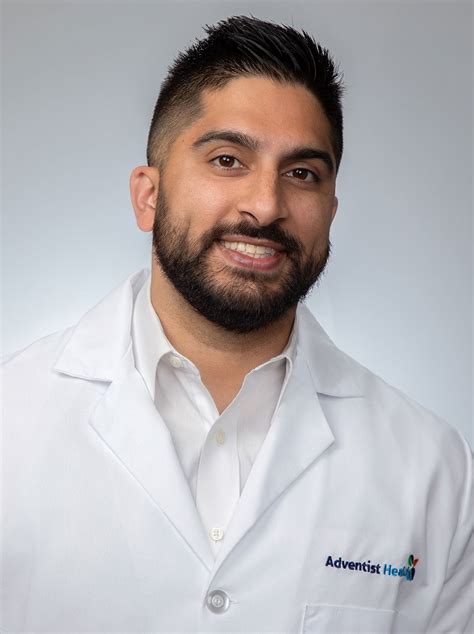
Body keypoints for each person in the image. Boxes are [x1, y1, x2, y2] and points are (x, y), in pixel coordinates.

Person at [1, 15, 472, 634]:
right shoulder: (13, 419)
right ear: (148, 196)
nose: (267, 206)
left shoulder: (432, 469)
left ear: (331, 210)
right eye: (228, 160)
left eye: (302, 173)